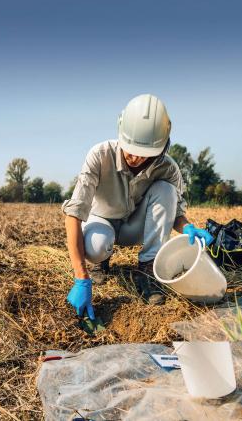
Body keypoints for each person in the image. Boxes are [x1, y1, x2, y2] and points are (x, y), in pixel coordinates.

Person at [62, 94, 213, 319]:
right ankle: (101, 262)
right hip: (102, 222)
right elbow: (73, 215)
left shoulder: (168, 169)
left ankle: (147, 270)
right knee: (96, 247)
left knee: (166, 189)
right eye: (129, 148)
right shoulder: (99, 155)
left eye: (143, 154)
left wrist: (187, 227)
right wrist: (81, 279)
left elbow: (176, 215)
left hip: (135, 226)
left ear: (161, 148)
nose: (133, 157)